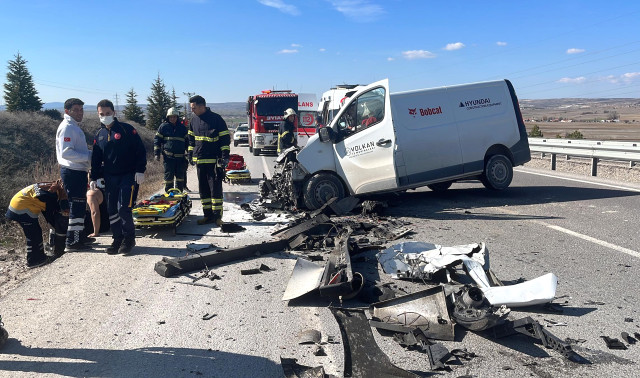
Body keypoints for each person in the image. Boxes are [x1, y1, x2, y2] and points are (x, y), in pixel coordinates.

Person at [91, 99, 147, 255]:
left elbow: (140, 151)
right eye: (102, 114)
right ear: (98, 114)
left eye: (108, 113)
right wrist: (93, 178)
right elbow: (96, 158)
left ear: (114, 113)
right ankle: (117, 239)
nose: (105, 116)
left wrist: (140, 170)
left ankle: (129, 239)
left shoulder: (127, 129)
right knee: (111, 210)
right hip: (110, 178)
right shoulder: (99, 134)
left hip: (128, 176)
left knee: (124, 208)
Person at [5, 180, 69, 268]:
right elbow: (52, 216)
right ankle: (34, 261)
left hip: (17, 204)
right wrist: (61, 230)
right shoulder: (50, 196)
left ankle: (39, 257)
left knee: (36, 231)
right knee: (33, 234)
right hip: (20, 209)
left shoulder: (50, 186)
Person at [55, 98, 92, 250]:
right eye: (76, 110)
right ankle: (72, 241)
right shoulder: (68, 127)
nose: (79, 112)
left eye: (81, 109)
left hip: (78, 171)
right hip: (72, 171)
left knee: (80, 206)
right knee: (76, 206)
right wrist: (89, 157)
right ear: (67, 111)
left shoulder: (74, 126)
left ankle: (79, 237)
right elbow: (66, 152)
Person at [188, 95, 230, 225]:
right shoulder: (193, 121)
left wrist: (225, 156)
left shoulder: (216, 119)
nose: (192, 110)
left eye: (194, 108)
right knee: (203, 189)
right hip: (200, 161)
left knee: (215, 189)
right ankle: (208, 215)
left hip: (214, 161)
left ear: (202, 106)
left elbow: (224, 139)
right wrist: (190, 154)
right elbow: (191, 139)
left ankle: (217, 217)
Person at [154, 107, 189, 193]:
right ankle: (169, 198)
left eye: (174, 117)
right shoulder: (163, 127)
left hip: (180, 159)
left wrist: (190, 154)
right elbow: (157, 141)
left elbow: (188, 142)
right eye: (171, 117)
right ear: (168, 117)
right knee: (168, 179)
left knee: (180, 179)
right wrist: (156, 154)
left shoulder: (182, 128)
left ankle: (179, 197)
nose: (173, 118)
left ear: (177, 117)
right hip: (168, 158)